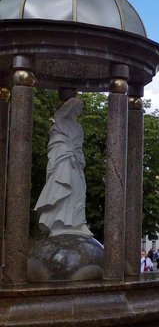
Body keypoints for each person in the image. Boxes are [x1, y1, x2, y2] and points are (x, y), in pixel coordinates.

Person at [34, 98, 93, 238]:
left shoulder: (78, 127)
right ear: (70, 108)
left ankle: (77, 222)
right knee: (63, 189)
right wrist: (68, 152)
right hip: (63, 161)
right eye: (78, 107)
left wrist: (76, 155)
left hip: (76, 163)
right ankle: (58, 222)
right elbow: (55, 143)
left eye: (81, 108)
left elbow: (78, 145)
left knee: (78, 190)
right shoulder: (59, 124)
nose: (80, 110)